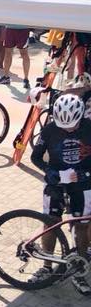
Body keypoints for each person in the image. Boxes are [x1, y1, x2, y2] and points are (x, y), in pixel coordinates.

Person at [30, 93, 91, 295]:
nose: (67, 130)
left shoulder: (89, 128)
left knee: (81, 226)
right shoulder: (49, 130)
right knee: (51, 224)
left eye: (72, 126)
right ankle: (47, 266)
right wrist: (53, 173)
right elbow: (35, 157)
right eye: (63, 126)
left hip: (82, 185)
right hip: (56, 184)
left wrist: (83, 173)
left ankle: (79, 269)